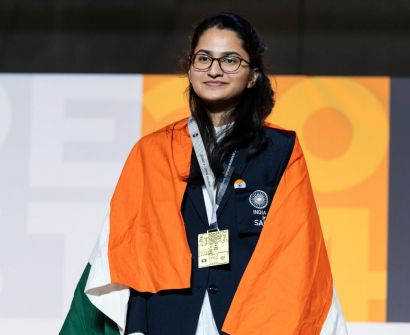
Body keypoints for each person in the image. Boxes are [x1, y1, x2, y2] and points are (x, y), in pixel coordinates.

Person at [60, 12, 347, 335]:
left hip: (250, 319)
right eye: (204, 58)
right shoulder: (153, 152)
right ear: (189, 68)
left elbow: (296, 254)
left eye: (230, 60)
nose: (214, 69)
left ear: (253, 75)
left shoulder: (280, 150)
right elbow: (128, 255)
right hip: (166, 319)